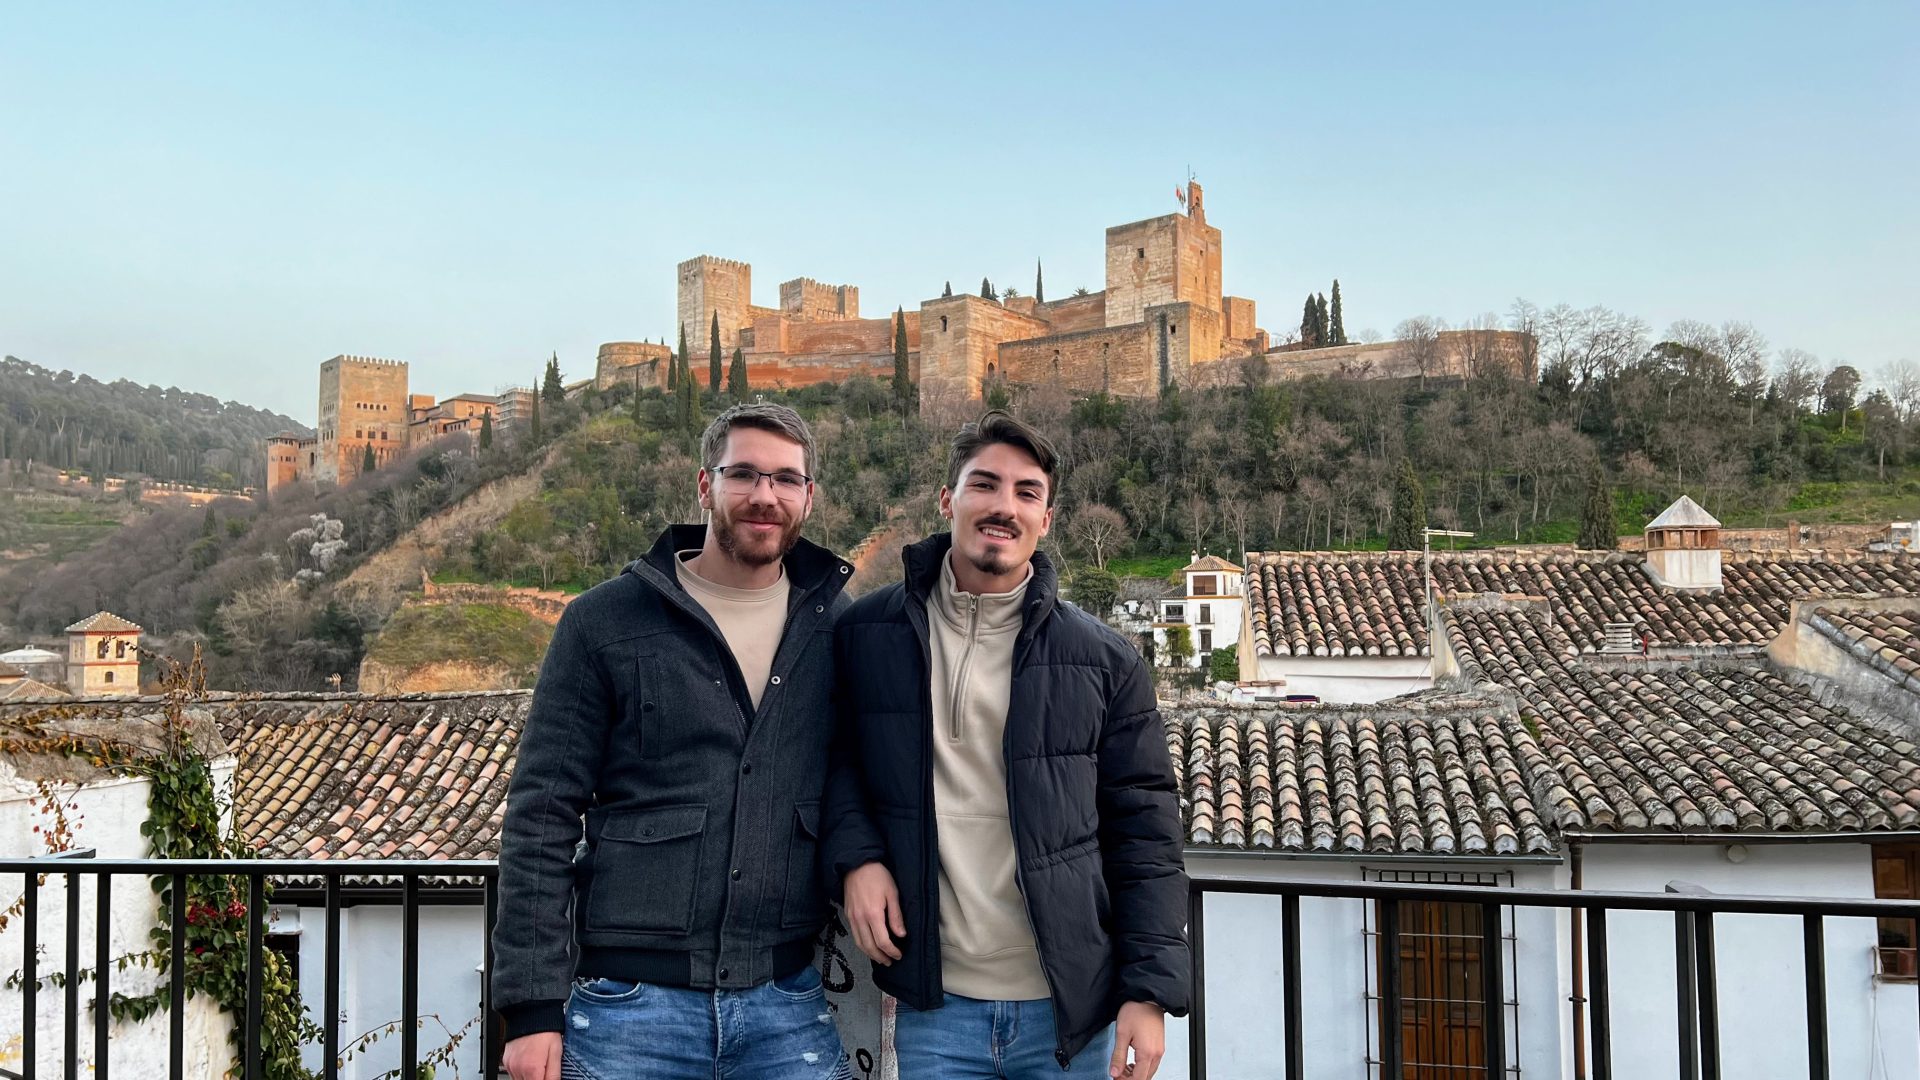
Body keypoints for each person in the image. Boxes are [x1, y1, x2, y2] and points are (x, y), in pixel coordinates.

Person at [823, 410, 1189, 1079]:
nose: (1004, 506)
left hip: (1069, 1011)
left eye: (1027, 493)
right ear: (948, 500)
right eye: (985, 485)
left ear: (1046, 519)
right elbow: (838, 763)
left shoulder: (1105, 661)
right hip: (931, 1005)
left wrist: (1148, 991)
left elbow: (1147, 836)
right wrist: (858, 858)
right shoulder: (866, 633)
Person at [492, 403, 854, 1080]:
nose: (763, 496)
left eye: (784, 479)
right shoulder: (603, 622)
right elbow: (540, 814)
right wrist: (532, 1008)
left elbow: (861, 782)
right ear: (703, 485)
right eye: (742, 474)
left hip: (786, 1003)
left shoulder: (839, 628)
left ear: (809, 496)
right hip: (630, 1010)